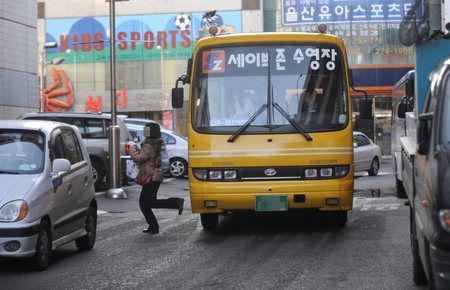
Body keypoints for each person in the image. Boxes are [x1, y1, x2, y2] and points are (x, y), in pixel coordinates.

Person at [128, 122, 184, 234]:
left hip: (151, 176)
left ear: (150, 132)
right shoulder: (155, 142)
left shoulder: (149, 145)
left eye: (146, 130)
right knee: (144, 203)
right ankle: (153, 226)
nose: (144, 132)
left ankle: (176, 202)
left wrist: (132, 150)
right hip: (153, 175)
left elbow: (139, 158)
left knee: (149, 202)